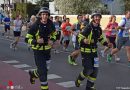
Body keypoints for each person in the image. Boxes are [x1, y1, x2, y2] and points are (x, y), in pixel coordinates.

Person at [75, 13, 112, 90]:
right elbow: (79, 37)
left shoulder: (98, 28)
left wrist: (106, 44)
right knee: (88, 69)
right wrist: (84, 40)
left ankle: (89, 87)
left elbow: (101, 38)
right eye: (96, 17)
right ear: (92, 18)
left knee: (95, 71)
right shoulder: (88, 27)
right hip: (86, 52)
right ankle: (78, 80)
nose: (97, 18)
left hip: (94, 53)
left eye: (99, 17)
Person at [25, 7, 57, 90]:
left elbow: (55, 34)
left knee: (45, 70)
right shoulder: (35, 26)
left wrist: (52, 40)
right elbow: (27, 39)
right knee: (43, 73)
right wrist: (36, 41)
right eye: (43, 14)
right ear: (40, 15)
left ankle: (33, 73)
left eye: (46, 14)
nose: (45, 16)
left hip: (47, 51)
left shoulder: (51, 24)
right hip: (38, 51)